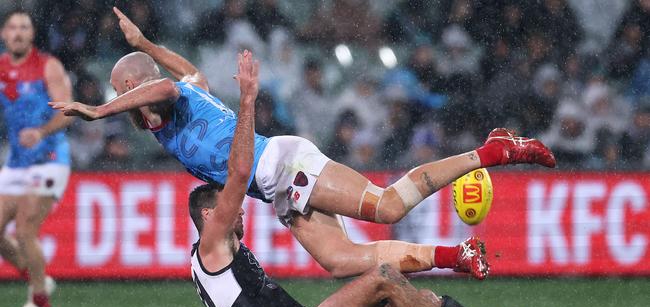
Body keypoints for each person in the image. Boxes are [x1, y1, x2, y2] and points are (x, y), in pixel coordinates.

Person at [52, 8, 556, 281]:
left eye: (124, 91)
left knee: (384, 207)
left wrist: (96, 110)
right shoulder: (182, 96)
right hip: (276, 188)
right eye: (120, 97)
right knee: (339, 261)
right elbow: (184, 70)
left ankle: (492, 150)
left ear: (137, 87)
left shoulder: (171, 96)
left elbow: (167, 82)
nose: (124, 101)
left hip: (285, 163)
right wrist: (143, 44)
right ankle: (456, 254)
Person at [189, 51, 560, 307]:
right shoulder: (213, 246)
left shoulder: (208, 267)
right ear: (208, 216)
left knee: (414, 300)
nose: (239, 211)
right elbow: (239, 171)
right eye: (226, 209)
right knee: (384, 268)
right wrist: (248, 98)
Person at [0, 10, 73, 307]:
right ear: (4, 34)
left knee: (26, 227)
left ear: (32, 34)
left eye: (24, 27)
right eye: (13, 28)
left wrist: (41, 132)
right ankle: (40, 280)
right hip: (16, 163)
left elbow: (68, 110)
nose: (18, 33)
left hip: (50, 159)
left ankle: (41, 305)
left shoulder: (47, 66)